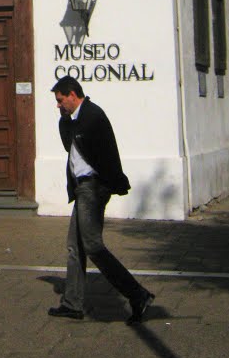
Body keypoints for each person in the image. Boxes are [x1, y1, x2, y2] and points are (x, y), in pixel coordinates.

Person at [48, 75, 154, 324]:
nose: (58, 105)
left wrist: (109, 185)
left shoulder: (94, 117)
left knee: (93, 245)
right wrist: (65, 120)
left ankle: (137, 294)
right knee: (75, 246)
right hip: (81, 188)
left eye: (60, 100)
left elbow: (108, 154)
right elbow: (70, 148)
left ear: (72, 95)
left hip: (93, 188)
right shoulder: (72, 121)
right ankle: (72, 304)